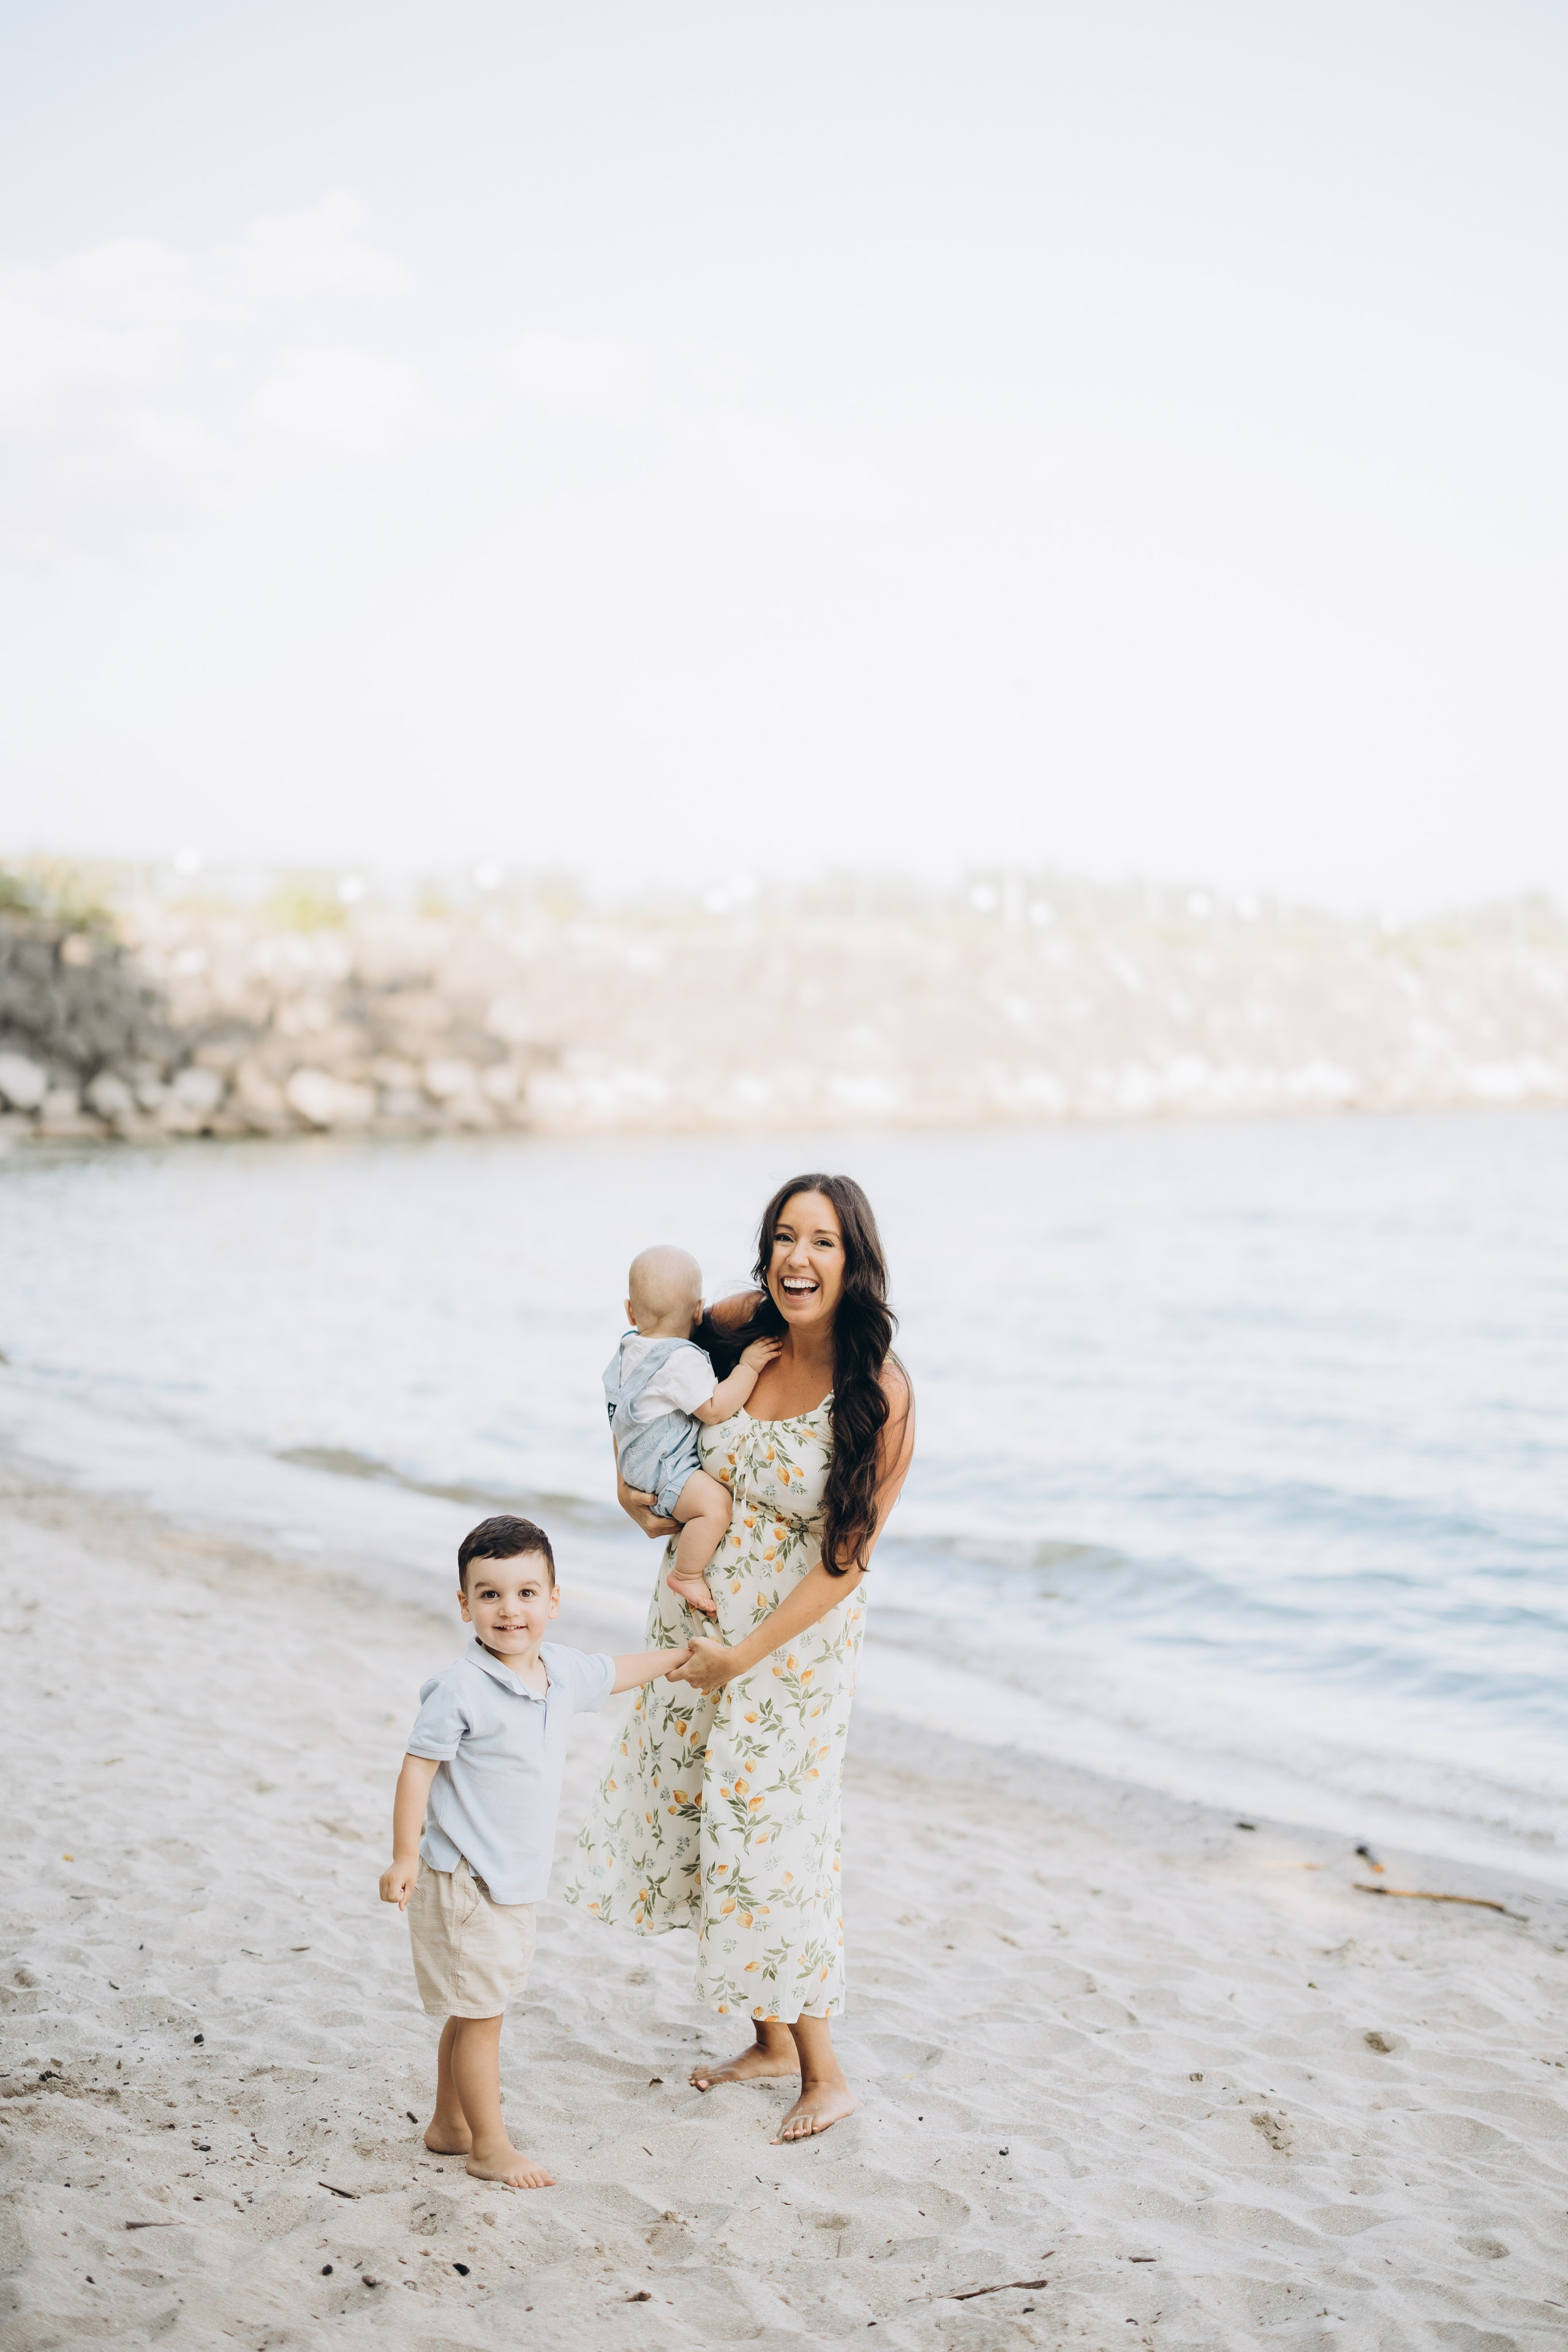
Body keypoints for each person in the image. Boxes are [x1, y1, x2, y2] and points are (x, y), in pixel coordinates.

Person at [565, 1174, 914, 2143]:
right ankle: (767, 2041)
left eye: (824, 1243)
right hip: (698, 1626)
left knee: (775, 1848)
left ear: (856, 1262)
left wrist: (744, 1656)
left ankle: (826, 2075)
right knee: (715, 1828)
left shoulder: (878, 1388)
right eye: (783, 1238)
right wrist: (631, 1489)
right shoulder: (738, 1323)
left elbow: (845, 1564)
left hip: (786, 1651)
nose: (799, 1259)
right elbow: (635, 1381)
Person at [379, 1513, 692, 2190]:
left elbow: (616, 1670)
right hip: (466, 1881)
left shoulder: (559, 1672)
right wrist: (405, 1857)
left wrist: (683, 1659)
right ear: (464, 1605)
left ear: (554, 1599)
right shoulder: (460, 1689)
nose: (509, 1609)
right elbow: (416, 1770)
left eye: (525, 1593)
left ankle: (447, 2124)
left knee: (474, 2007)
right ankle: (490, 2147)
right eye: (489, 1594)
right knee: (483, 2017)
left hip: (513, 1882)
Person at [605, 1243, 783, 1617]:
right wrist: (748, 1368)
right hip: (663, 1469)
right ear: (698, 1310)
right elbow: (715, 1409)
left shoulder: (627, 1349)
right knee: (715, 1507)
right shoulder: (680, 1360)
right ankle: (686, 1573)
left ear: (630, 1310)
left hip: (635, 1462)